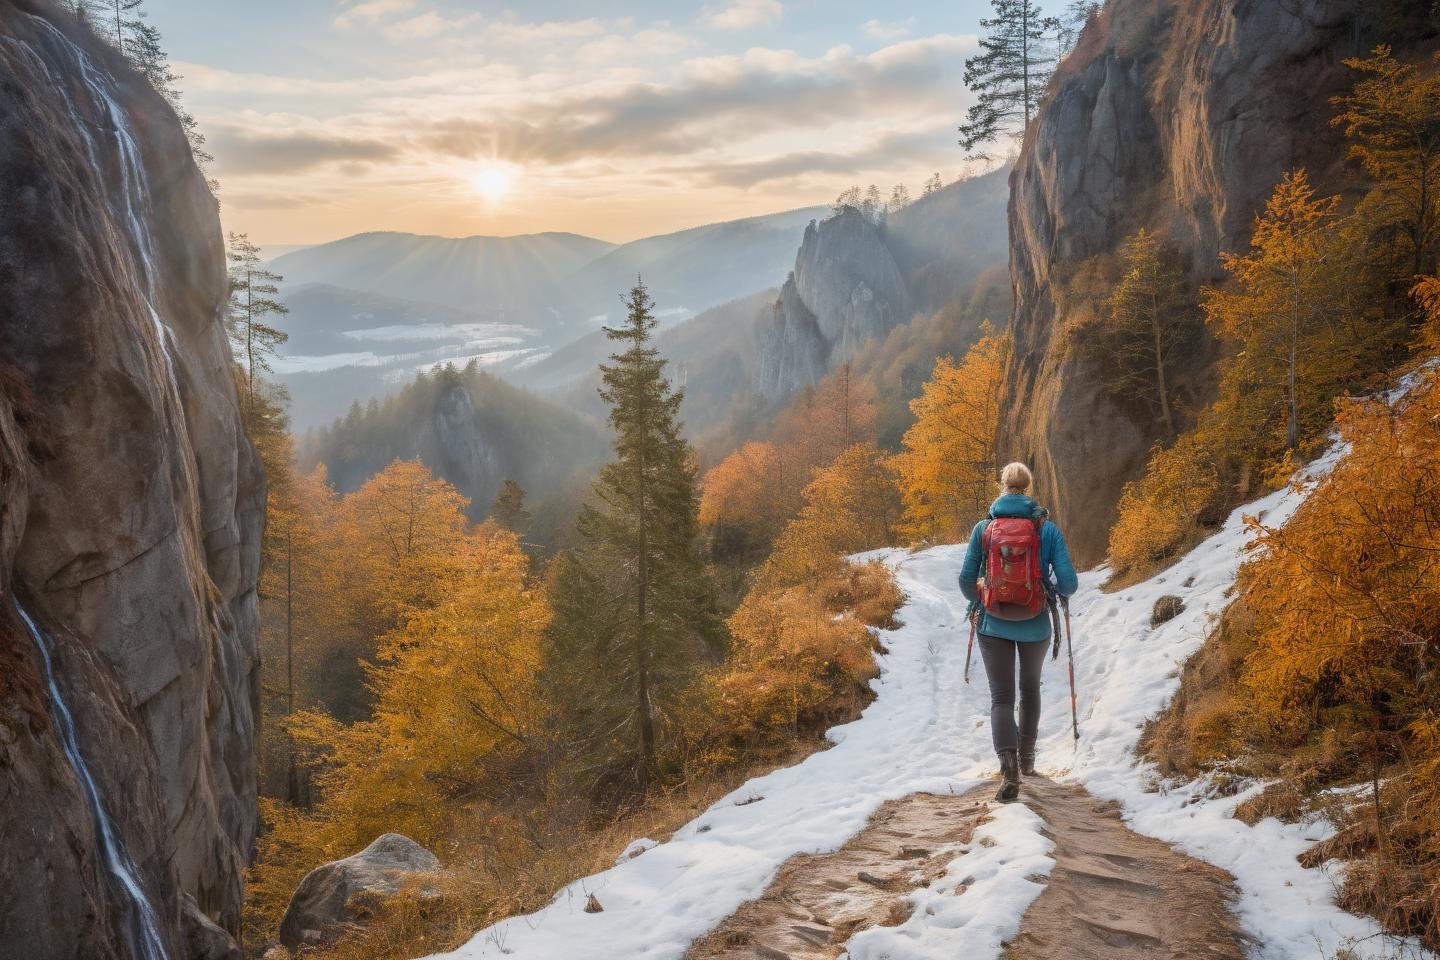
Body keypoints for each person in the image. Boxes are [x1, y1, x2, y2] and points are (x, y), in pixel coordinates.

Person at [958, 462, 1078, 803]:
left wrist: (981, 598)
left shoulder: (984, 528)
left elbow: (966, 580)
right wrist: (1053, 591)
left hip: (992, 622)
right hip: (1036, 621)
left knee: (1001, 697)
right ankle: (1027, 762)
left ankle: (1008, 769)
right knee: (1029, 689)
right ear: (1028, 488)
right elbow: (1069, 582)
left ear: (1002, 486)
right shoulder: (1046, 529)